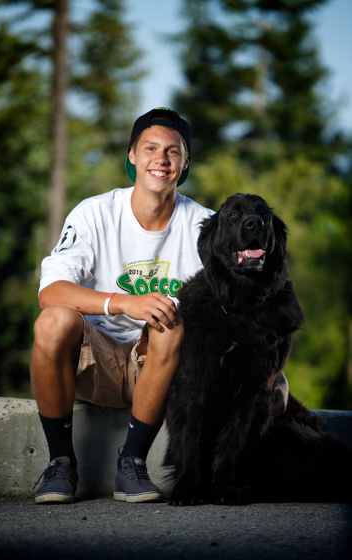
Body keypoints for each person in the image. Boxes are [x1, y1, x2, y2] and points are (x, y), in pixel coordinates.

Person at [31, 107, 289, 505]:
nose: (161, 159)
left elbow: (251, 292)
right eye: (150, 148)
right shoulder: (94, 213)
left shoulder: (208, 226)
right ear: (132, 155)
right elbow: (51, 291)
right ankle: (60, 463)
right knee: (52, 322)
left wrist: (266, 372)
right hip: (94, 364)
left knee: (170, 321)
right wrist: (122, 303)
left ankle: (132, 463)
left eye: (173, 151)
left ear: (185, 162)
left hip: (166, 369)